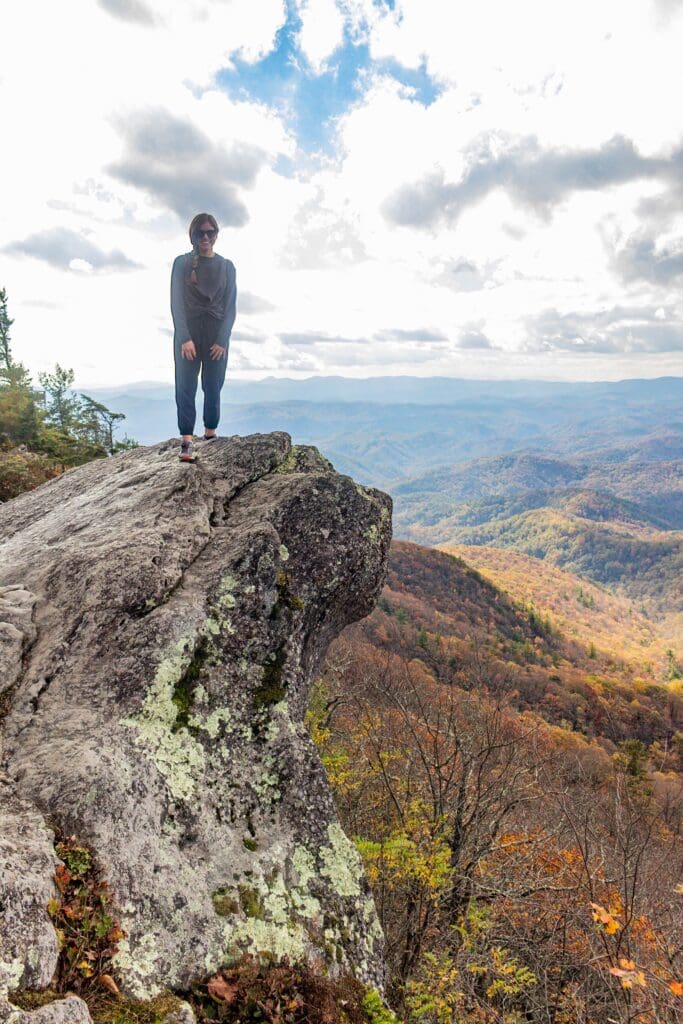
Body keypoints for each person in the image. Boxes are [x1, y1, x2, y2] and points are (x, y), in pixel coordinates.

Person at [170, 212, 236, 462]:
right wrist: (184, 337)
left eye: (210, 232)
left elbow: (230, 307)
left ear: (217, 235)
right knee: (185, 385)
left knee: (213, 385)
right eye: (200, 233)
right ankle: (186, 441)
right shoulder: (182, 263)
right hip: (189, 332)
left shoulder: (227, 266)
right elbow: (176, 303)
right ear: (193, 236)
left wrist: (222, 339)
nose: (205, 237)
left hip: (216, 333)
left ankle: (210, 434)